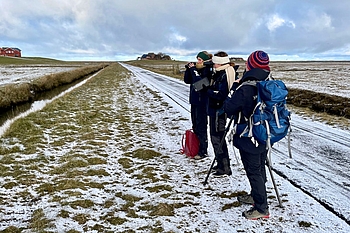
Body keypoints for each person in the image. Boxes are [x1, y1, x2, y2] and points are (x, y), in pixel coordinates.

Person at [224, 50, 270, 219]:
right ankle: (256, 196)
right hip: (264, 133)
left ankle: (261, 208)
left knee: (254, 171)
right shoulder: (267, 81)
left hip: (248, 135)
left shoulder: (246, 87)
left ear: (250, 65)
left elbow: (229, 108)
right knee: (259, 167)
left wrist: (234, 88)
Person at [206, 51, 236, 176]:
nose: (213, 65)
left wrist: (208, 91)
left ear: (219, 63)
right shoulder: (220, 73)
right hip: (215, 110)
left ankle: (224, 167)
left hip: (219, 111)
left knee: (218, 138)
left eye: (215, 63)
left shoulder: (224, 75)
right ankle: (220, 164)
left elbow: (222, 95)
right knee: (216, 138)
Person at [184, 51, 213, 160]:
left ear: (205, 61)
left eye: (200, 60)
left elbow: (200, 84)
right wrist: (188, 70)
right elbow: (187, 81)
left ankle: (203, 151)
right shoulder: (197, 70)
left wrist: (193, 70)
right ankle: (195, 148)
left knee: (201, 127)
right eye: (197, 59)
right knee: (195, 126)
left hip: (202, 102)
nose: (197, 62)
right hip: (194, 101)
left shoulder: (208, 71)